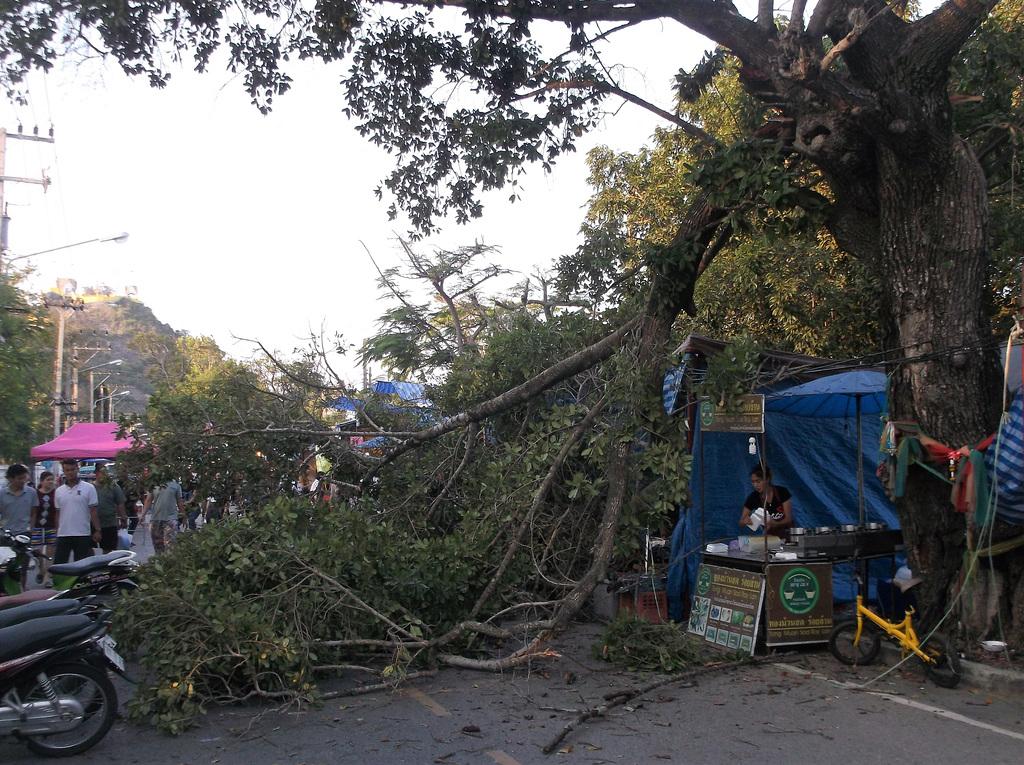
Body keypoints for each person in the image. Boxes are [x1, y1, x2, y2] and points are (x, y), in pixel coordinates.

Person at [54, 458, 101, 564]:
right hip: (64, 534)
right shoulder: (59, 491)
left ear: (77, 469)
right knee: (59, 564)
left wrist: (97, 530)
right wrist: (56, 532)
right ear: (64, 471)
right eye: (67, 470)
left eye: (72, 469)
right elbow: (58, 513)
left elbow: (93, 511)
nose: (70, 472)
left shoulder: (89, 488)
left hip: (82, 533)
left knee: (81, 565)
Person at [1, 464, 40, 589]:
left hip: (24, 532)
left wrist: (31, 529)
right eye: (19, 478)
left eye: (24, 478)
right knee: (6, 563)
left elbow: (34, 512)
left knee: (23, 564)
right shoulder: (2, 493)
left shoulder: (31, 492)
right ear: (11, 479)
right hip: (6, 534)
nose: (23, 481)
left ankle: (22, 587)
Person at [739, 463, 794, 540]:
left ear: (767, 479)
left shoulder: (782, 492)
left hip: (787, 536)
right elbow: (741, 523)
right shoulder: (753, 498)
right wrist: (745, 521)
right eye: (753, 482)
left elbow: (788, 519)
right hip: (770, 539)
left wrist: (776, 524)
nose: (755, 485)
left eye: (758, 482)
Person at [30, 471, 59, 586]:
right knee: (37, 553)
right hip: (38, 526)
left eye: (52, 479)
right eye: (48, 480)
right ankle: (41, 569)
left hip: (51, 526)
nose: (51, 482)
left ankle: (47, 577)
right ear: (42, 481)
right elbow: (33, 511)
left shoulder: (56, 493)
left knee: (50, 553)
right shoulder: (36, 494)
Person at [143, 479, 185, 554]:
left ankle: (170, 563)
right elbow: (148, 500)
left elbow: (179, 501)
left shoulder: (175, 485)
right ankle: (160, 563)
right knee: (158, 546)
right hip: (156, 518)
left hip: (171, 519)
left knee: (170, 546)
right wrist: (143, 515)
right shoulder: (154, 485)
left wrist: (183, 515)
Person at [94, 464, 128, 553]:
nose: (105, 475)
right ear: (96, 474)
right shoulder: (90, 487)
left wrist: (123, 519)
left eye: (106, 473)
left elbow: (120, 504)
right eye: (102, 473)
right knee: (88, 548)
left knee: (108, 550)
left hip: (109, 523)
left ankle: (107, 565)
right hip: (92, 523)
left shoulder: (113, 486)